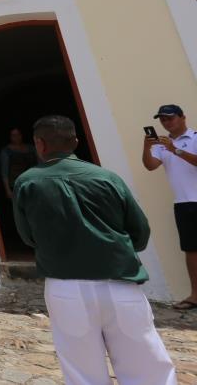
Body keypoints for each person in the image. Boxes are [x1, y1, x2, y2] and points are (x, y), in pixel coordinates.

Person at [15, 115, 176, 385]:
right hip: (120, 282)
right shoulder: (107, 178)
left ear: (39, 144)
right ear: (75, 142)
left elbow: (28, 236)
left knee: (82, 372)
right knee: (147, 366)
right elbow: (139, 232)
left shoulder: (28, 182)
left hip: (65, 286)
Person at [143, 103, 197, 310]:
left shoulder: (195, 138)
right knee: (191, 249)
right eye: (163, 119)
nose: (166, 122)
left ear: (183, 117)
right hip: (183, 203)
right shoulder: (160, 145)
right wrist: (146, 147)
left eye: (170, 118)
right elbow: (150, 166)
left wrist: (175, 150)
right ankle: (195, 296)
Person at [0, 128, 37, 200]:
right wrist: (7, 190)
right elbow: (4, 171)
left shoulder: (31, 148)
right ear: (10, 137)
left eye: (18, 134)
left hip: (32, 182)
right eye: (13, 135)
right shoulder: (6, 151)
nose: (16, 137)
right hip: (16, 184)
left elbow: (39, 163)